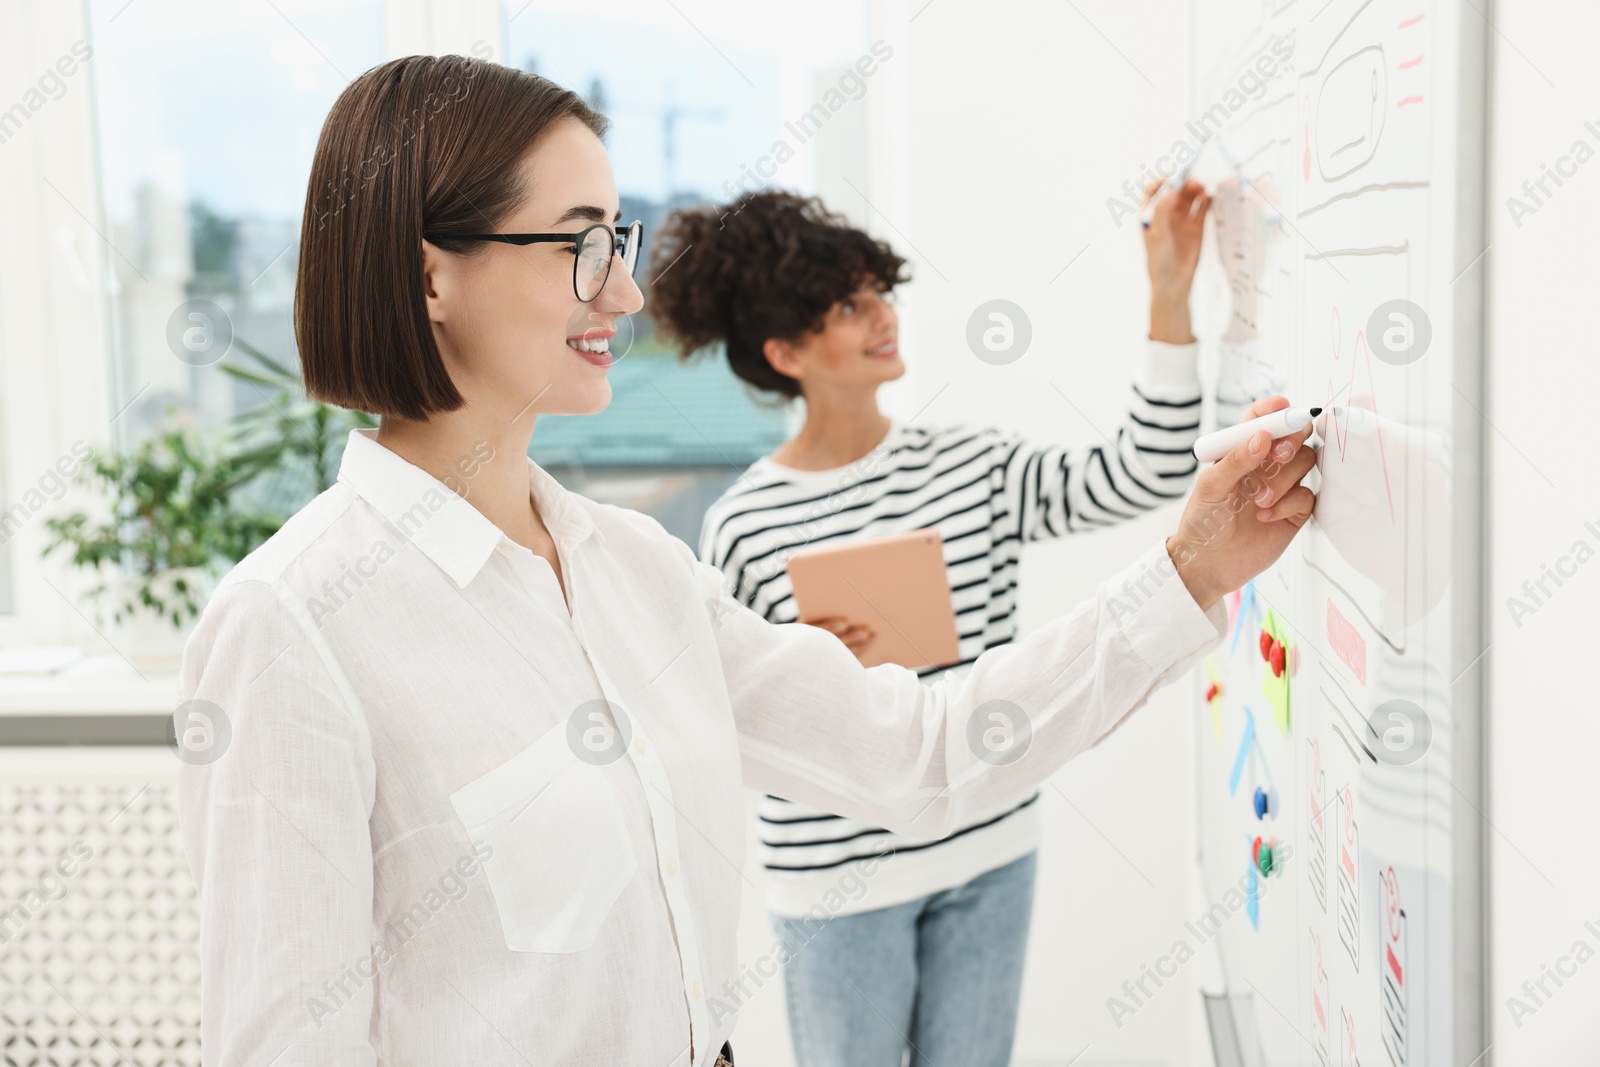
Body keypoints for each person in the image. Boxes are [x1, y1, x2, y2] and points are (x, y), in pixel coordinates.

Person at [173, 55, 1317, 1067]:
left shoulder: (635, 569)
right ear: (431, 277)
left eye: (615, 241)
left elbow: (918, 755)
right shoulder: (296, 623)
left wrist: (1191, 569)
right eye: (581, 244)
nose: (620, 291)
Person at [650, 188, 1233, 1067]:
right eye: (849, 306)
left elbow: (1145, 470)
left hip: (991, 845)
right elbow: (722, 720)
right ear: (786, 351)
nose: (883, 315)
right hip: (838, 885)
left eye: (878, 291)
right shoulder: (745, 523)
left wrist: (1168, 297)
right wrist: (810, 675)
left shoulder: (973, 467)